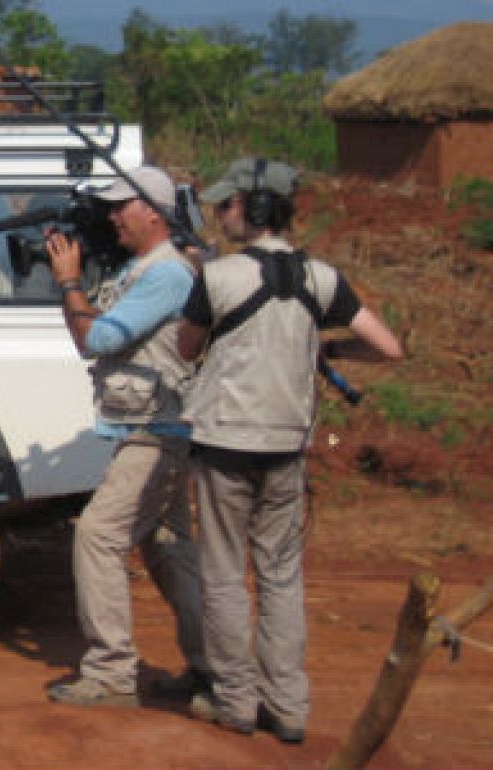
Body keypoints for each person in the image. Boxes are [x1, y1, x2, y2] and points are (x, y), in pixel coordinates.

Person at [178, 159, 403, 741]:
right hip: (287, 448)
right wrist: (323, 352)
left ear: (248, 209)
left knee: (225, 576)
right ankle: (289, 708)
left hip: (224, 441)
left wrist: (201, 282)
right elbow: (389, 347)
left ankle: (235, 702)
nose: (221, 213)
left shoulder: (219, 278)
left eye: (227, 205)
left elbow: (186, 349)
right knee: (281, 577)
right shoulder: (323, 278)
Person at [43, 165, 210, 707]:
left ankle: (112, 671)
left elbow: (100, 337)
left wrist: (69, 281)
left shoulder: (166, 275)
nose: (112, 216)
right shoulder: (142, 270)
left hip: (157, 429)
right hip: (155, 424)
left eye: (121, 207)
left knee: (98, 534)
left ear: (154, 213)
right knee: (169, 550)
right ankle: (213, 669)